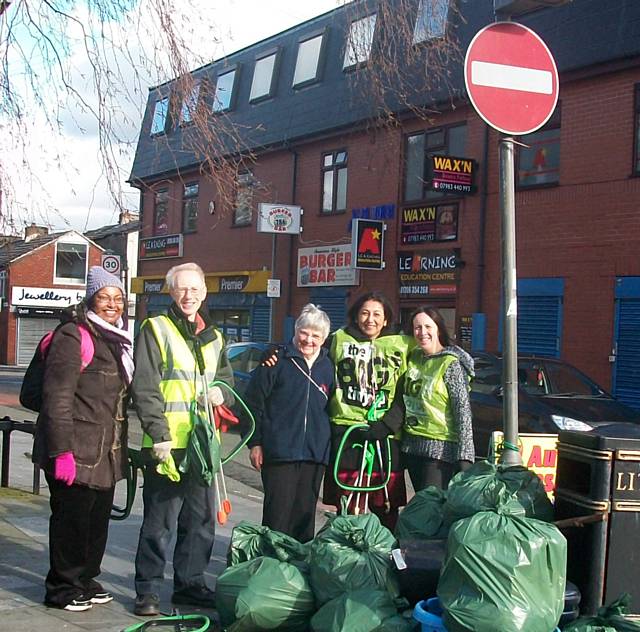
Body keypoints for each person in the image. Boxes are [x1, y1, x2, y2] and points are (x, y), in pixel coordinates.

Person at [132, 262, 234, 616]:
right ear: (171, 292)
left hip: (202, 446)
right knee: (159, 522)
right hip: (167, 445)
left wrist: (222, 394)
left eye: (195, 289)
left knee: (200, 520)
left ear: (205, 293)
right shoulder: (155, 329)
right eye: (181, 289)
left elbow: (225, 381)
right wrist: (157, 434)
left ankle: (190, 584)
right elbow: (144, 386)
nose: (188, 296)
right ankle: (147, 590)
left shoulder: (216, 336)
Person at [33, 266, 133, 612]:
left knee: (96, 522)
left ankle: (85, 579)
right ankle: (62, 587)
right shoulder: (73, 336)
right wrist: (61, 451)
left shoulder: (117, 339)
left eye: (118, 298)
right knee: (71, 522)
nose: (112, 304)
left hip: (106, 452)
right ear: (91, 298)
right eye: (104, 297)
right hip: (75, 450)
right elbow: (57, 397)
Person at [322, 291, 413, 531]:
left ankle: (383, 558)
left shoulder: (403, 345)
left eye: (376, 314)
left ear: (385, 320)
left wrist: (387, 424)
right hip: (347, 433)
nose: (369, 319)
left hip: (385, 436)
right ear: (355, 316)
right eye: (364, 313)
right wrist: (275, 354)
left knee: (385, 505)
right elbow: (305, 347)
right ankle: (347, 555)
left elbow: (407, 390)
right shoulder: (337, 340)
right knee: (348, 502)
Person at [245, 304, 334, 543]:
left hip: (315, 455)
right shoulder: (277, 361)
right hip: (279, 452)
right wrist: (255, 443)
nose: (309, 340)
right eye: (304, 332)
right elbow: (253, 403)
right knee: (277, 517)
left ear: (324, 338)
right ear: (295, 331)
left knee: (305, 516)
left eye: (316, 335)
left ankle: (299, 569)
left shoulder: (329, 366)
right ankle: (272, 567)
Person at [383, 306, 475, 491]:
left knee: (431, 509)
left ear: (438, 329)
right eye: (417, 328)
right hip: (412, 447)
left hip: (440, 452)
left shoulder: (451, 363)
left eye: (428, 326)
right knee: (421, 507)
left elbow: (463, 412)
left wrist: (465, 457)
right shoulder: (413, 358)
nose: (422, 332)